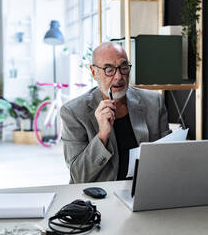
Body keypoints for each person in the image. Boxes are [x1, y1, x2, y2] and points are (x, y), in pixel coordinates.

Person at [60, 42, 171, 183]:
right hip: (101, 196)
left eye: (123, 67)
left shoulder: (154, 102)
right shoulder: (73, 112)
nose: (118, 76)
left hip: (146, 189)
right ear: (94, 72)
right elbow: (79, 176)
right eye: (109, 69)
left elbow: (167, 158)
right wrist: (102, 136)